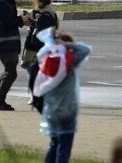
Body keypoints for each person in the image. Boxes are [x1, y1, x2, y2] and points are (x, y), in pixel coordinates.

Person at [37, 32, 91, 163]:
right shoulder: (69, 61)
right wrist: (68, 45)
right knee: (64, 146)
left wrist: (52, 44)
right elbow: (86, 49)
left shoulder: (47, 60)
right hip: (67, 110)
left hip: (51, 110)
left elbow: (40, 54)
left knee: (54, 144)